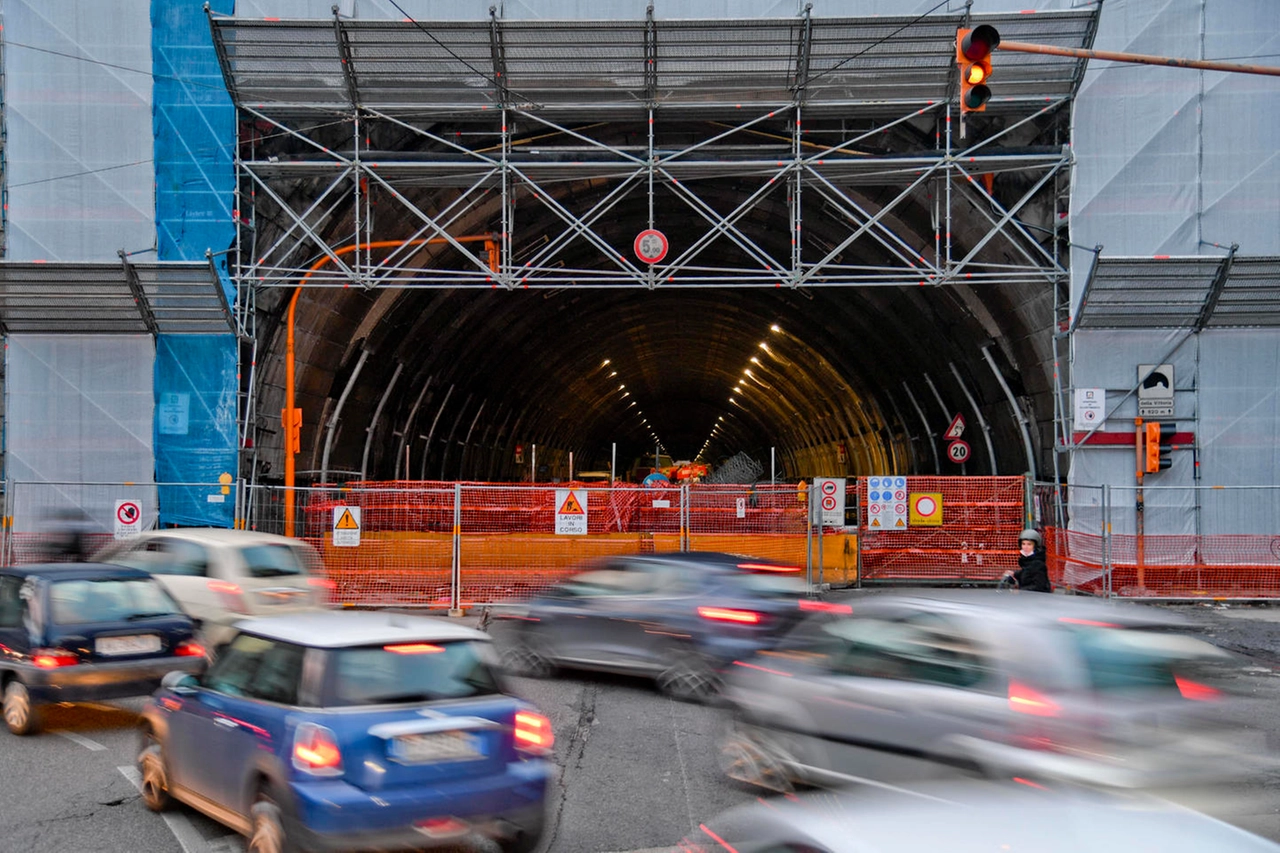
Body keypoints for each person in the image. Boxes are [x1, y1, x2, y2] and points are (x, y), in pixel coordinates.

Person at [1003, 528, 1051, 593]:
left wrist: (1020, 591)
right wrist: (1014, 574)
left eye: (1029, 544)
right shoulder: (1027, 561)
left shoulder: (1038, 564)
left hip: (1037, 600)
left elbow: (1039, 587)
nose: (1025, 547)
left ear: (1035, 546)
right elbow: (1026, 573)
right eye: (1023, 544)